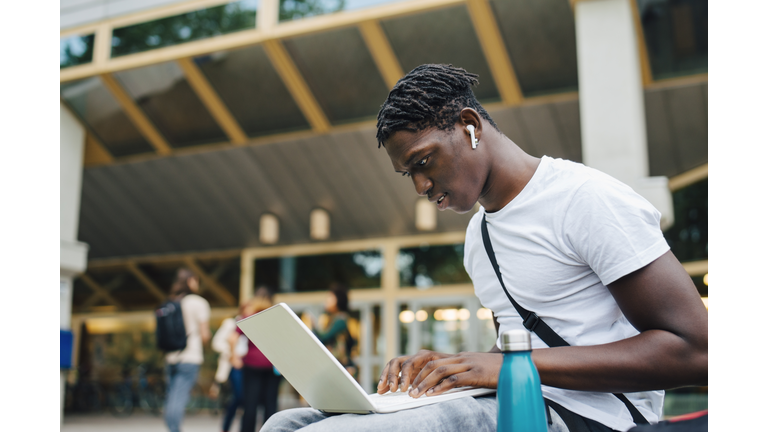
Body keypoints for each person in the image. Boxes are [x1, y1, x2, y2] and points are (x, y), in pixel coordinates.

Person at [260, 64, 708, 432]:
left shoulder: (584, 199)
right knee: (287, 423)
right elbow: (520, 346)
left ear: (470, 127)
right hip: (512, 400)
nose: (420, 186)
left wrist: (505, 367)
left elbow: (696, 351)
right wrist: (453, 365)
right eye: (408, 175)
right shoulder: (479, 237)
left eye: (423, 161)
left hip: (594, 416)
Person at [163, 268, 211, 432]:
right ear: (191, 281)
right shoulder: (199, 302)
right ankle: (174, 429)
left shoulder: (171, 302)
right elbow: (205, 335)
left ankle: (171, 427)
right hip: (190, 356)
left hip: (171, 356)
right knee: (179, 397)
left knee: (172, 396)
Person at [231, 287, 282, 432]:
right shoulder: (275, 317)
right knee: (270, 404)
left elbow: (232, 338)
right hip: (273, 366)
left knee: (250, 404)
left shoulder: (250, 316)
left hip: (252, 365)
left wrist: (234, 357)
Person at [211, 303, 249, 432]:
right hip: (235, 365)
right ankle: (226, 427)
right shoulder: (231, 323)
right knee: (239, 397)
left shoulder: (252, 324)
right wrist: (232, 354)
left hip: (249, 366)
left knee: (246, 399)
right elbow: (216, 342)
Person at [312, 283, 358, 378]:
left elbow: (323, 338)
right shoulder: (332, 319)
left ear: (338, 300)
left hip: (341, 367)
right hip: (337, 367)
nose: (327, 301)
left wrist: (313, 327)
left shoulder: (341, 319)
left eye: (330, 298)